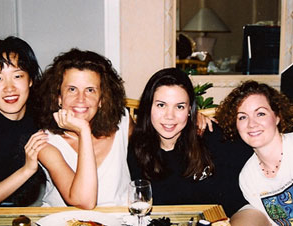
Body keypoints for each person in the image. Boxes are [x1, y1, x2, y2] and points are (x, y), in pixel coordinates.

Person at [127, 67, 256, 219]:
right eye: (161, 105)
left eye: (179, 106)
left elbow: (256, 160)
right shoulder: (137, 148)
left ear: (190, 109)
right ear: (149, 107)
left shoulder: (209, 135)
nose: (170, 116)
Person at [36, 48, 133, 208]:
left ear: (102, 99)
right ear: (59, 97)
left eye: (90, 90)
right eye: (72, 89)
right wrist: (84, 130)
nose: (81, 99)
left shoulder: (122, 122)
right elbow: (84, 201)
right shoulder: (45, 143)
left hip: (119, 220)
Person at [0, 36, 48, 207]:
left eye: (18, 76)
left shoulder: (45, 119)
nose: (9, 88)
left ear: (31, 80)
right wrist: (27, 170)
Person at [216, 80, 293, 225]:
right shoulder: (248, 178)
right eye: (243, 117)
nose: (252, 124)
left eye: (260, 114)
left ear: (277, 117)